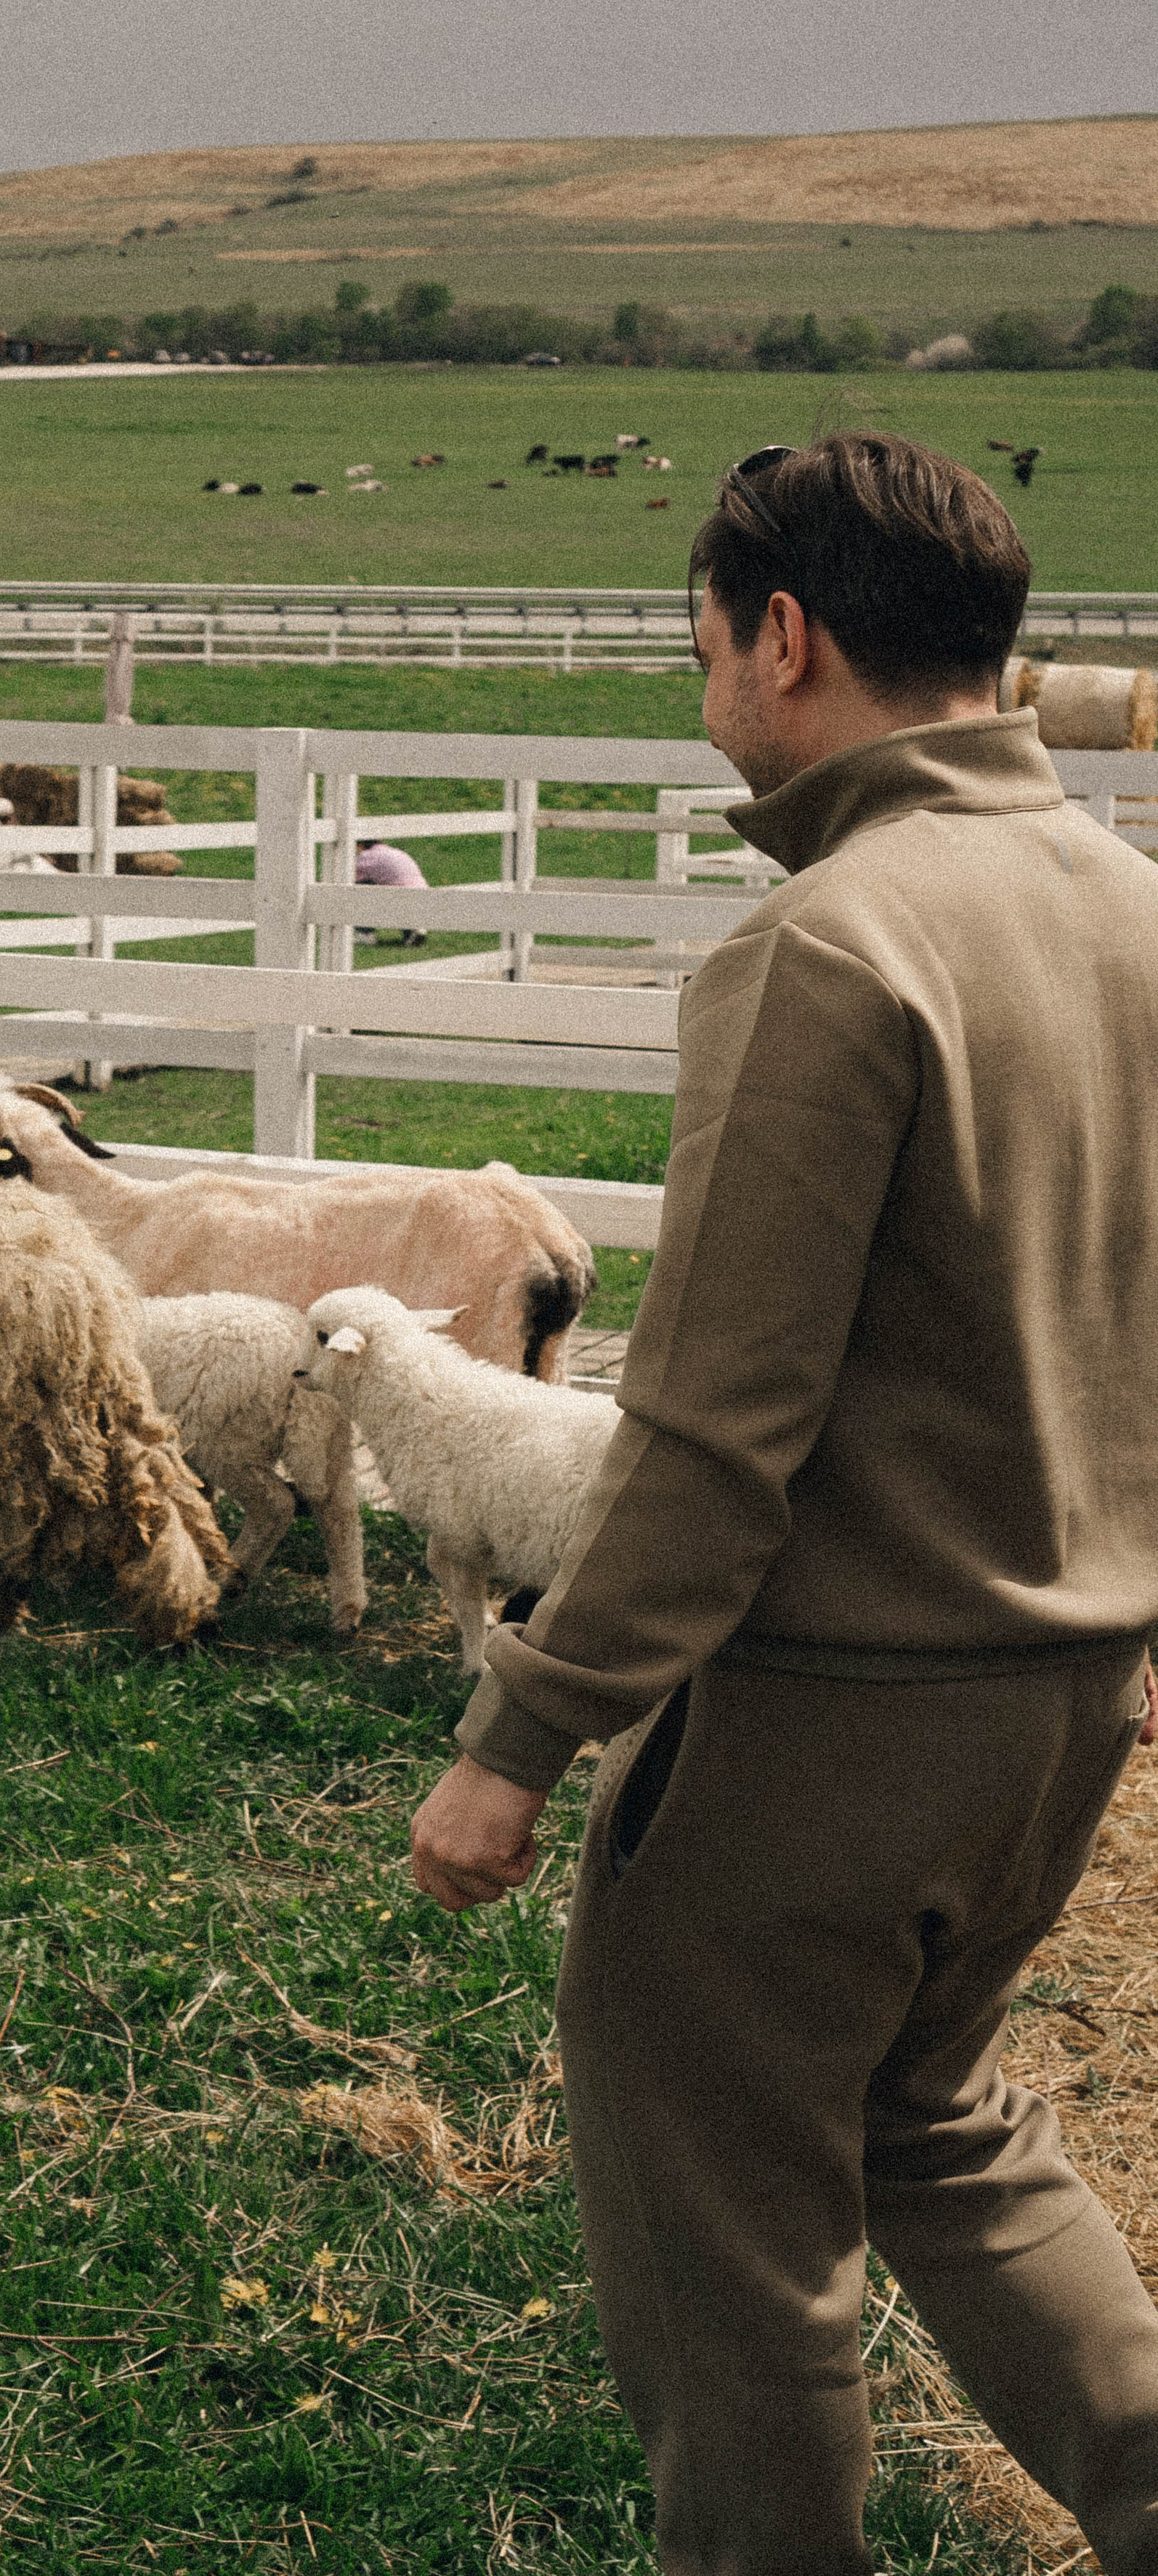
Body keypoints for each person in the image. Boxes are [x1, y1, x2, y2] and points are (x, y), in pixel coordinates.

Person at [410, 431, 1158, 2575]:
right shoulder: (1125, 909)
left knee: (726, 2230)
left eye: (703, 644)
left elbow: (715, 1430)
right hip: (1063, 1693)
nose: (704, 691)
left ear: (785, 636)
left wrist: (519, 1735)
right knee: (930, 2117)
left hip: (825, 1717)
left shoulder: (824, 949)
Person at [352, 836, 429, 947]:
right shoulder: (397, 852)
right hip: (424, 897)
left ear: (360, 845)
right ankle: (413, 930)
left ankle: (365, 934)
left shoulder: (367, 856)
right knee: (395, 885)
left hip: (403, 899)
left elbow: (351, 878)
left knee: (360, 888)